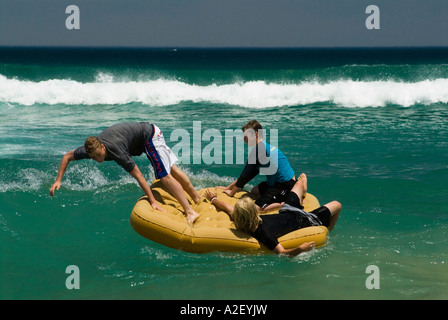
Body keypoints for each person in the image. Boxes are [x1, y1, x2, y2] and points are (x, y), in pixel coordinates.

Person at [49, 122, 200, 225]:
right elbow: (67, 157)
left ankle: (190, 211)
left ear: (102, 146)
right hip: (145, 136)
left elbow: (139, 176)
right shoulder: (90, 150)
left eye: (98, 155)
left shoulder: (116, 151)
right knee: (170, 169)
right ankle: (196, 197)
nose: (96, 159)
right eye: (93, 157)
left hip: (150, 135)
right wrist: (58, 180)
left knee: (163, 175)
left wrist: (153, 201)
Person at [206, 173, 341, 257]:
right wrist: (300, 248)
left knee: (298, 183)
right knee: (337, 204)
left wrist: (213, 199)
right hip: (306, 219)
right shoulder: (263, 232)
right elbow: (282, 253)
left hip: (288, 209)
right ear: (253, 212)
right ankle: (328, 229)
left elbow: (228, 208)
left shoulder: (241, 220)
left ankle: (303, 188)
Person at [219, 120, 296, 212]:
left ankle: (282, 204)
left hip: (284, 185)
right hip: (277, 183)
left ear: (255, 135)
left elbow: (244, 176)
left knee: (257, 209)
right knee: (255, 191)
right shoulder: (263, 147)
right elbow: (247, 175)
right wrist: (228, 188)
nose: (244, 139)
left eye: (246, 136)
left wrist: (231, 193)